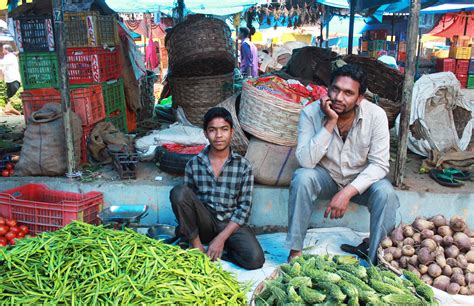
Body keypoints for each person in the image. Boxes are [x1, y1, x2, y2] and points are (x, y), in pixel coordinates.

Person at [286, 64, 399, 264]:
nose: (339, 97)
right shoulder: (310, 113)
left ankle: (377, 261)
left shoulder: (376, 115)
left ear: (360, 98)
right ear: (328, 88)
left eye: (348, 93)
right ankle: (295, 252)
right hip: (327, 178)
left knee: (386, 193)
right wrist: (329, 123)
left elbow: (380, 165)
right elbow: (305, 161)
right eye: (335, 89)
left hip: (360, 183)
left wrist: (347, 192)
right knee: (302, 177)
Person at [170, 107, 265, 270]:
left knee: (255, 260)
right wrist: (197, 243)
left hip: (229, 224)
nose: (219, 135)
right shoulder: (194, 164)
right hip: (204, 222)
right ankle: (197, 246)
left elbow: (244, 209)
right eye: (212, 130)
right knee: (179, 192)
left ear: (232, 132)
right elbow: (186, 203)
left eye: (224, 129)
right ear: (206, 133)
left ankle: (221, 249)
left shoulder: (243, 166)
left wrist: (221, 238)